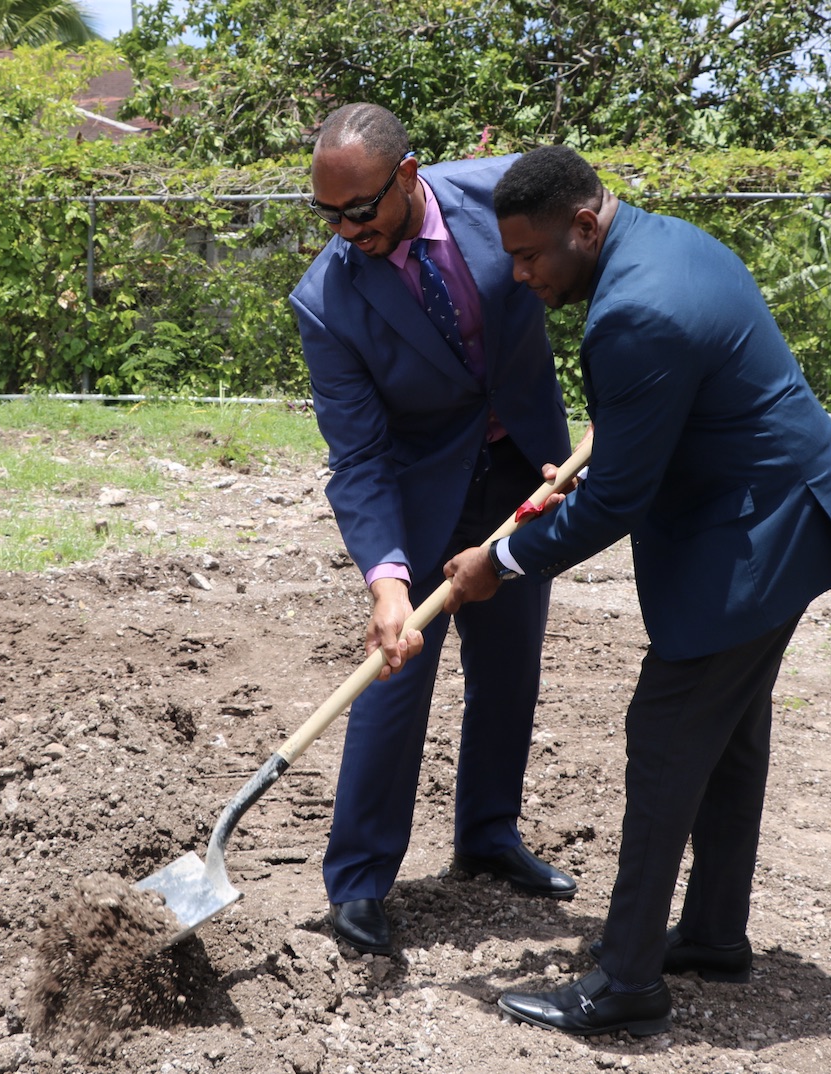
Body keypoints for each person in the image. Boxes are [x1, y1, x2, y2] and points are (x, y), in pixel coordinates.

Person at [437, 145, 831, 1035]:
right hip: (789, 510)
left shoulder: (633, 312)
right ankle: (714, 934)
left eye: (530, 256)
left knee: (669, 736)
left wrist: (503, 563)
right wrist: (616, 444)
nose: (518, 275)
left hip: (761, 534)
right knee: (728, 735)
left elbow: (617, 505)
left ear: (585, 225)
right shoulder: (668, 242)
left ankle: (626, 982)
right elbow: (666, 409)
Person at [287, 104, 577, 956]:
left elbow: (593, 232)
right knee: (394, 674)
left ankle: (487, 839)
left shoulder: (504, 196)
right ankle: (360, 880)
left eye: (360, 210)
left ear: (409, 176)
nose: (345, 231)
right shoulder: (327, 302)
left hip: (527, 467)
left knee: (510, 662)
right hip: (421, 486)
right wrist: (387, 579)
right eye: (327, 215)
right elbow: (358, 455)